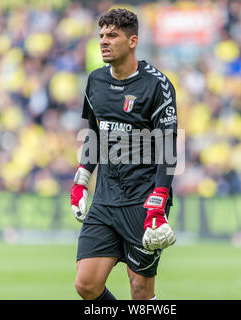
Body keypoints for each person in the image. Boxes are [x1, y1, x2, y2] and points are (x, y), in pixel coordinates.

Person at [71, 8, 178, 300]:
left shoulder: (157, 84)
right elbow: (94, 133)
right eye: (102, 35)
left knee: (140, 290)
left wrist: (158, 201)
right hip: (105, 198)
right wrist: (82, 178)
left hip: (142, 200)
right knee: (86, 285)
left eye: (112, 35)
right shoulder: (95, 82)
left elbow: (168, 147)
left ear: (133, 41)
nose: (104, 41)